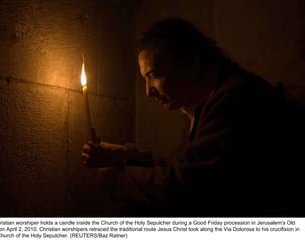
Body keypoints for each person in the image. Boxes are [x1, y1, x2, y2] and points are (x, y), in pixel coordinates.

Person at [82, 18, 304, 216]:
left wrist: (117, 181)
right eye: (145, 79)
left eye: (155, 75)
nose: (148, 91)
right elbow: (186, 164)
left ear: (192, 64)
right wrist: (127, 156)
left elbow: (190, 186)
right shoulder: (204, 103)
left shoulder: (234, 99)